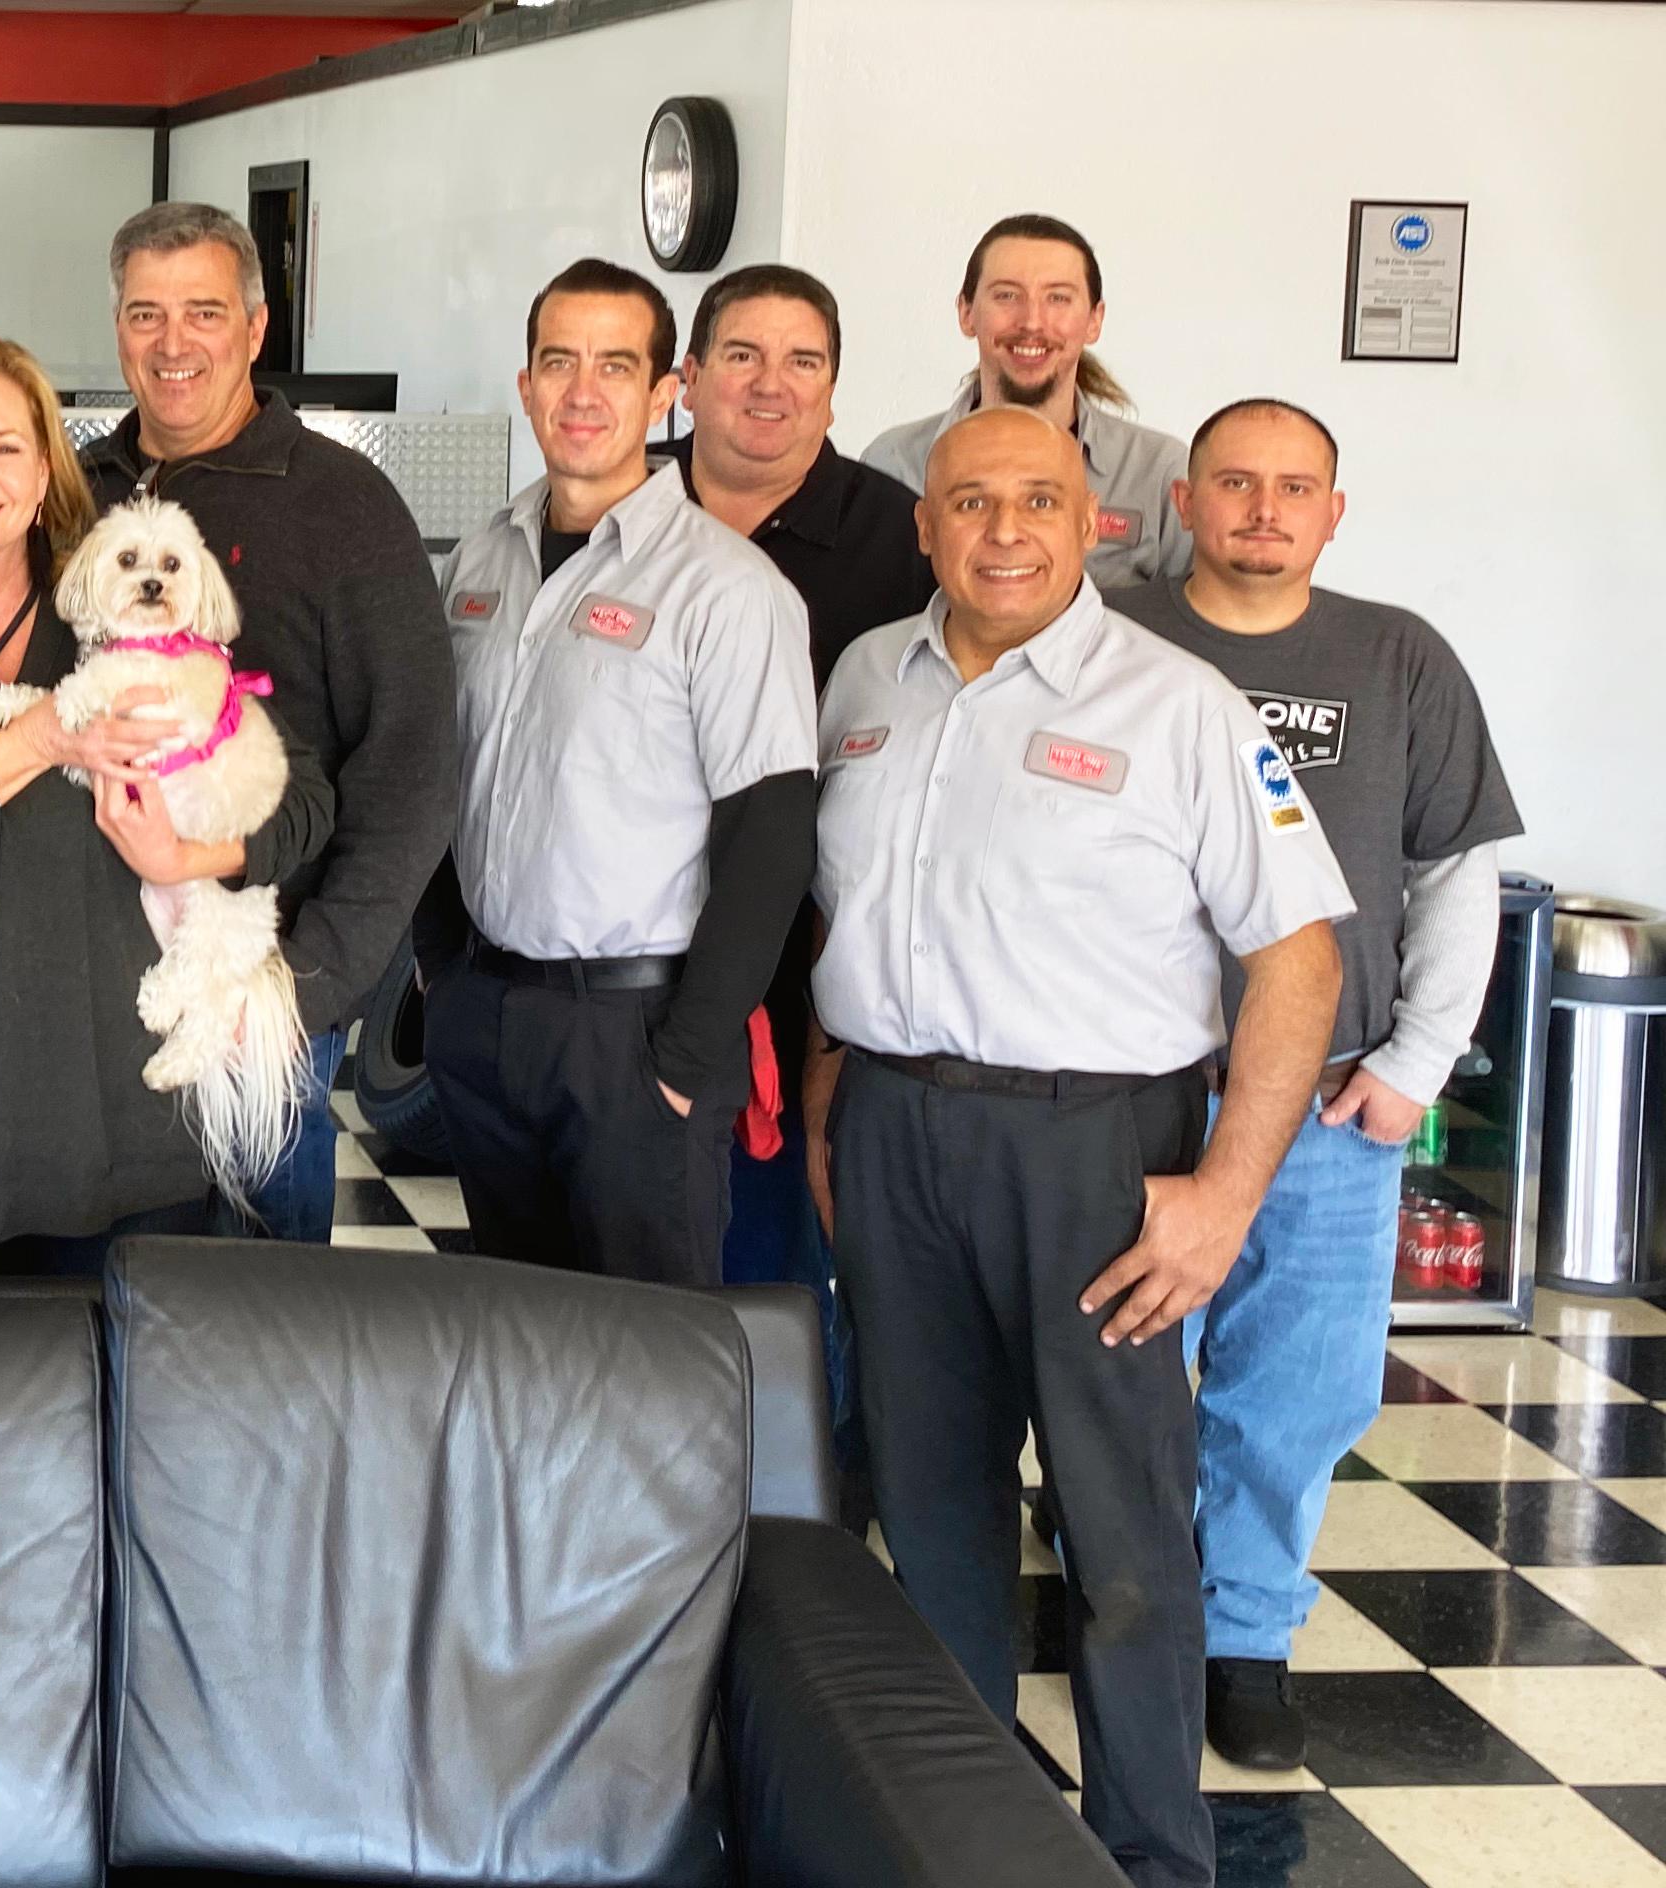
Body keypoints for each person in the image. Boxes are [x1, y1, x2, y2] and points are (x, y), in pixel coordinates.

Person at [806, 408, 1352, 1888]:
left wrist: (1225, 1196)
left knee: (1122, 1541)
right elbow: (842, 913)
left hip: (1095, 1156)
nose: (1004, 531)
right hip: (898, 1133)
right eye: (971, 502)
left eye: (1038, 501)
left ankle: (1151, 1856)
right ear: (924, 524)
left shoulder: (1179, 706)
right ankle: (961, 1843)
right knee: (931, 1514)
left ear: (1095, 521)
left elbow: (1299, 964)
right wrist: (833, 1095)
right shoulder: (866, 680)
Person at [1110, 399, 1522, 1772]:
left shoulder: (1399, 657)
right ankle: (1136, 1606)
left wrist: (1418, 1061)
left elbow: (1456, 869)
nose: (1264, 508)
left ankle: (1245, 1634)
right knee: (1128, 1366)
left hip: (1332, 1106)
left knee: (1297, 1382)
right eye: (1236, 482)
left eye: (1296, 487)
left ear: (1334, 513)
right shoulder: (1110, 633)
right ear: (1185, 500)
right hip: (1138, 1089)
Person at [0, 330, 331, 1274]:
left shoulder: (122, 615)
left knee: (135, 1375)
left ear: (44, 475)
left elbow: (304, 803)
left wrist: (185, 858)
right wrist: (37, 740)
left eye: (5, 447)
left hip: (135, 1137)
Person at [426, 259, 815, 1284]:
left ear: (664, 392)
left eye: (615, 366)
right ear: (526, 386)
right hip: (488, 1014)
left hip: (635, 1035)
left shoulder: (728, 590)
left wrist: (682, 1062)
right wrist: (442, 972)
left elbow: (773, 841)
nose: (582, 392)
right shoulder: (479, 564)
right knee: (515, 1332)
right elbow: (433, 770)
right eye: (559, 362)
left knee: (647, 1352)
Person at [76, 202, 453, 1243]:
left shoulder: (345, 504)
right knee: (88, 1296)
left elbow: (415, 767)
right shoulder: (79, 495)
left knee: (250, 1308)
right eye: (145, 314)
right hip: (91, 1000)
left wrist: (313, 984)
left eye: (203, 311)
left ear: (254, 328)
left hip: (260, 994)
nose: (173, 342)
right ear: (118, 328)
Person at [665, 263, 932, 1496]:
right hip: (628, 972)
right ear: (689, 378)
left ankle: (802, 1531)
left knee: (784, 1282)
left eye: (802, 361)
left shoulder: (903, 538)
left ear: (834, 385)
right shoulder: (620, 510)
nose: (770, 386)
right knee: (632, 1280)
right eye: (741, 356)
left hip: (809, 987)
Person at [863, 213, 1190, 589]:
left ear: (1094, 320)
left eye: (1058, 298)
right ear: (966, 313)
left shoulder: (1157, 471)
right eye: (1007, 295)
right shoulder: (894, 463)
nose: (1032, 322)